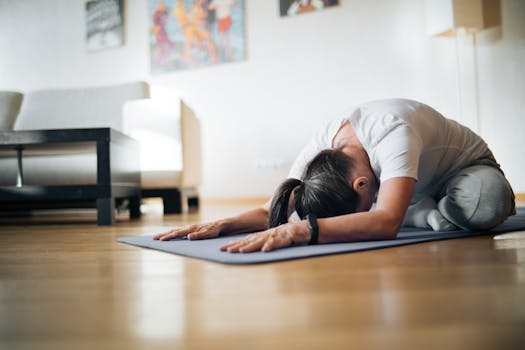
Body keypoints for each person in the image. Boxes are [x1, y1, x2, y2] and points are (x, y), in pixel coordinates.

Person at [154, 99, 516, 253]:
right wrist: (223, 224)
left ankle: (417, 210)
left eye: (363, 206)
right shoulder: (321, 148)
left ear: (362, 186)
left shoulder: (393, 133)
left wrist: (301, 229)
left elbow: (386, 222)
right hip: (412, 188)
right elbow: (272, 210)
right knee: (390, 210)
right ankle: (420, 211)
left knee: (489, 202)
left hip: (464, 172)